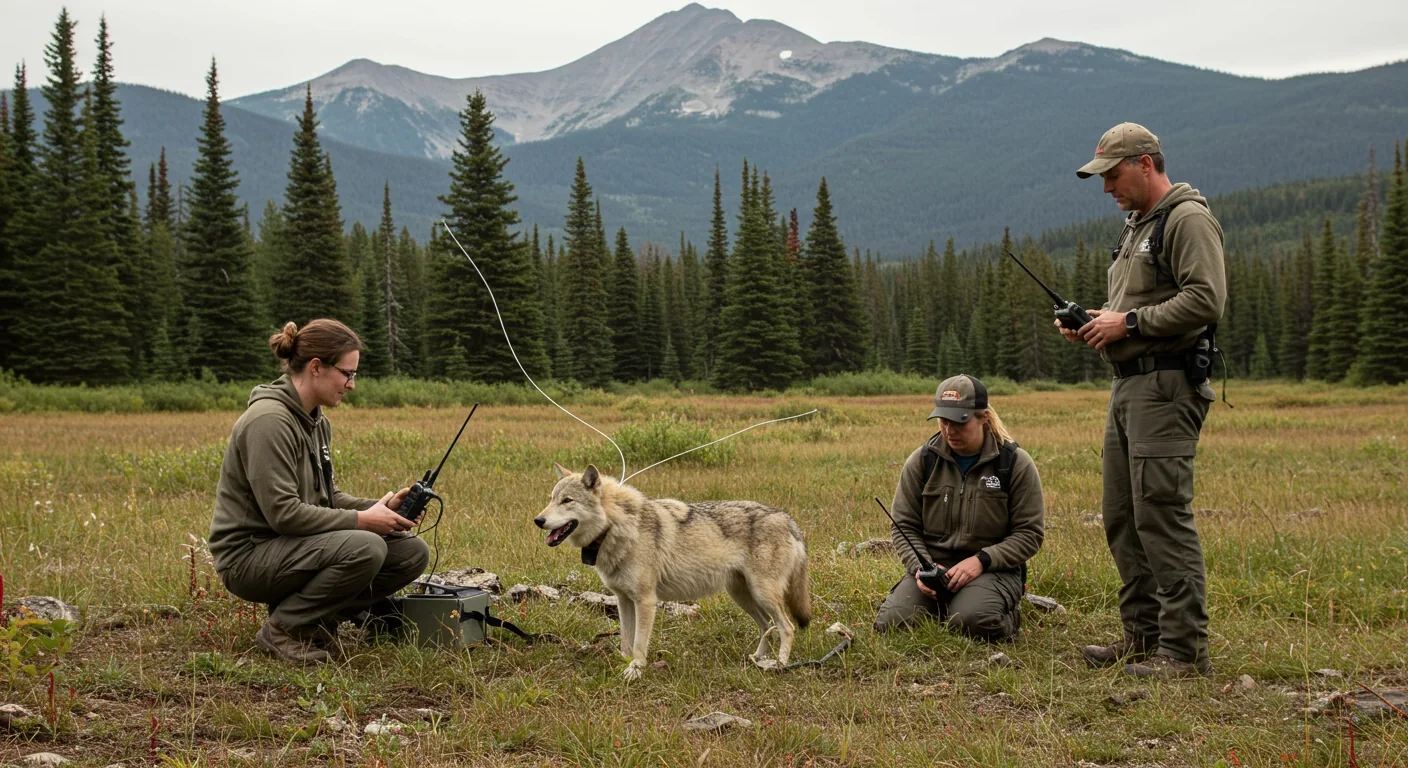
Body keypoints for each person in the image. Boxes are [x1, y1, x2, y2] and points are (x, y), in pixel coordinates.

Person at [1062, 123, 1226, 678]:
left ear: (1147, 164)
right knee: (1122, 516)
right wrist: (1094, 324)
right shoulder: (1137, 227)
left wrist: (1127, 321)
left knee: (1161, 514)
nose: (1107, 186)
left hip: (1167, 384)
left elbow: (1206, 299)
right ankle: (1143, 635)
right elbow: (1135, 305)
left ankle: (1183, 652)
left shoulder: (1187, 218)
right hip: (1129, 384)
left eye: (1113, 174)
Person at [210, 319, 429, 663]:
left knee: (410, 552)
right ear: (316, 367)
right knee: (366, 547)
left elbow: (327, 498)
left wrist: (382, 507)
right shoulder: (269, 422)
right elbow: (283, 514)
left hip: (292, 547)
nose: (352, 385)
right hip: (249, 557)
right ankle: (284, 629)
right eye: (348, 373)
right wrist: (362, 521)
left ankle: (317, 620)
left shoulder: (316, 420)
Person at [874, 374, 1044, 641]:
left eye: (960, 422)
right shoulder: (923, 461)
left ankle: (1001, 611)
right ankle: (944, 604)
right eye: (944, 421)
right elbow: (903, 526)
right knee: (893, 624)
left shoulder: (1014, 464)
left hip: (992, 569)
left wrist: (981, 561)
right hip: (934, 568)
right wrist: (922, 568)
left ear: (983, 417)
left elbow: (1029, 534)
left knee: (973, 623)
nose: (949, 431)